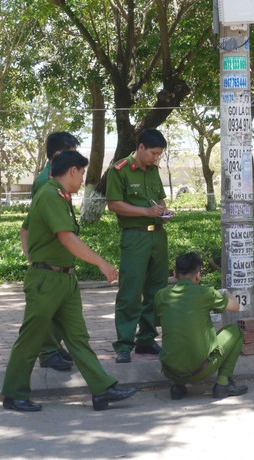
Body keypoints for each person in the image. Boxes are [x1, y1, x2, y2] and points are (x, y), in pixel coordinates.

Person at [2, 150, 137, 412]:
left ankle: (101, 389)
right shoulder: (51, 195)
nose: (83, 177)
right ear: (72, 171)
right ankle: (13, 394)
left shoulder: (59, 196)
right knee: (31, 339)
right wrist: (100, 262)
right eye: (83, 172)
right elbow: (66, 238)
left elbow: (25, 228)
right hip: (47, 281)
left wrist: (35, 257)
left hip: (65, 278)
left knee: (78, 338)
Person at [106, 129, 173, 364]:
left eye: (159, 155)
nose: (156, 158)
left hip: (158, 237)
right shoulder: (120, 170)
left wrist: (164, 211)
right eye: (154, 153)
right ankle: (124, 344)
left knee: (156, 291)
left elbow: (160, 199)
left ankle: (146, 340)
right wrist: (145, 212)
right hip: (134, 237)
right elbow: (114, 205)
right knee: (131, 291)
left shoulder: (153, 171)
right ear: (141, 147)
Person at [21, 131, 82, 372]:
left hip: (58, 255)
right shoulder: (47, 182)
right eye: (72, 153)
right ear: (59, 153)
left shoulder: (55, 178)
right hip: (49, 256)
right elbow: (33, 222)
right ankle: (47, 352)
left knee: (58, 306)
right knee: (45, 307)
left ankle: (53, 347)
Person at [155, 252, 248, 400]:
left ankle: (177, 386)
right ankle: (223, 384)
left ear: (174, 274)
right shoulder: (206, 292)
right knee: (236, 331)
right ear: (198, 276)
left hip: (170, 370)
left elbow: (158, 322)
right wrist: (225, 292)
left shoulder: (161, 295)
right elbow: (235, 307)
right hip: (201, 370)